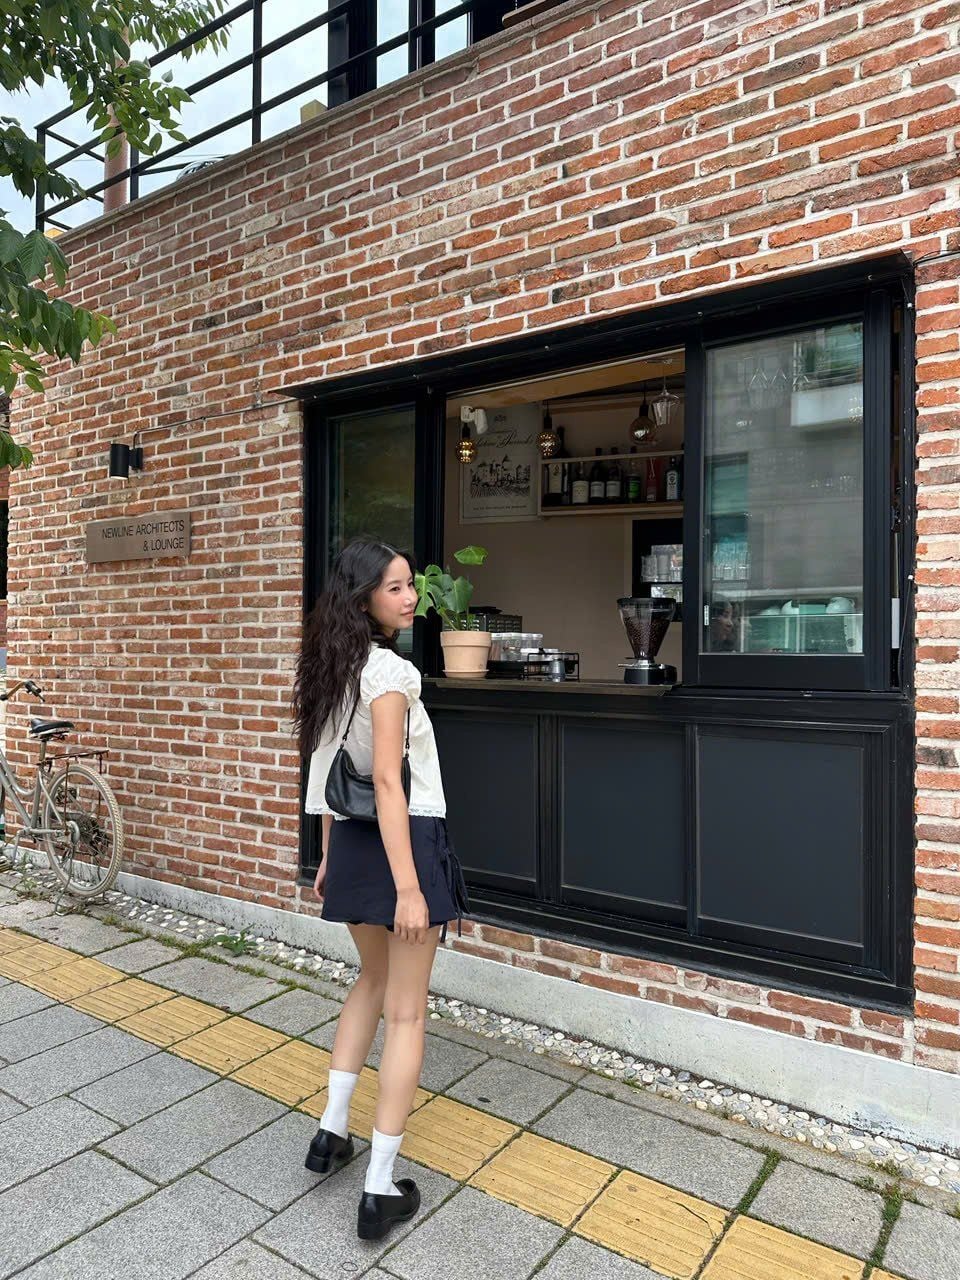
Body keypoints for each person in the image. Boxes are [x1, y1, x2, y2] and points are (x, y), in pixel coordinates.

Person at [292, 537, 468, 1241]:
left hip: (353, 842)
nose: (410, 597)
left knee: (369, 981)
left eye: (409, 585)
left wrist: (328, 855)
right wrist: (410, 889)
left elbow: (325, 769)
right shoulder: (389, 672)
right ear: (363, 597)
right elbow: (390, 783)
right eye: (394, 587)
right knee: (408, 1013)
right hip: (403, 845)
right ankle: (379, 1185)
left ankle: (331, 1134)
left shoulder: (330, 665)